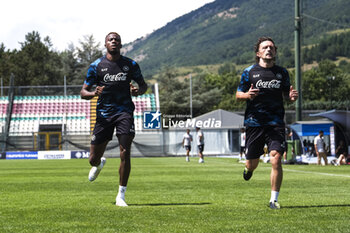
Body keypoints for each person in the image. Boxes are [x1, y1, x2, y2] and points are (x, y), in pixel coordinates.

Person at [80, 32, 148, 207]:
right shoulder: (96, 66)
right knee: (92, 159)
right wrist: (93, 93)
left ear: (121, 44)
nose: (114, 41)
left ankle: (121, 196)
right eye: (110, 40)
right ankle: (99, 163)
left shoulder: (130, 64)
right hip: (103, 114)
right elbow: (83, 92)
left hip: (124, 112)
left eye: (116, 40)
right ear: (105, 44)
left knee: (125, 152)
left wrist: (137, 91)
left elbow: (143, 85)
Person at [236, 36, 298, 209]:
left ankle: (273, 200)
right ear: (258, 52)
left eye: (271, 47)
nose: (269, 49)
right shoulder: (249, 72)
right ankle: (248, 169)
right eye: (265, 47)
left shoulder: (282, 73)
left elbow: (288, 94)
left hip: (276, 123)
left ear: (275, 51)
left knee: (276, 159)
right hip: (254, 123)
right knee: (252, 164)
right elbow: (238, 94)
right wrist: (247, 95)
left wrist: (291, 98)